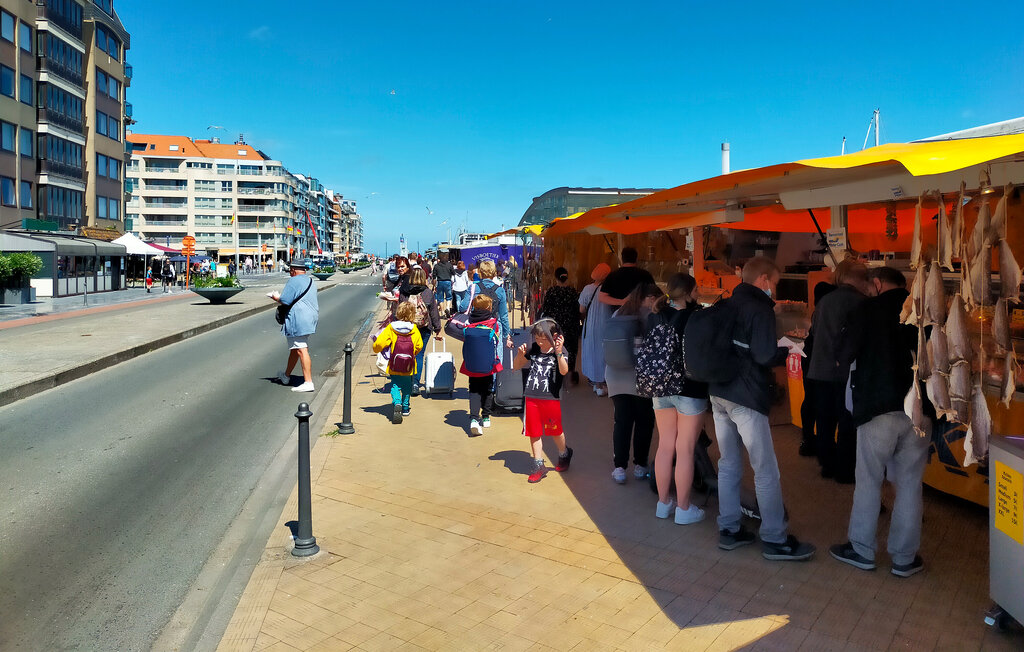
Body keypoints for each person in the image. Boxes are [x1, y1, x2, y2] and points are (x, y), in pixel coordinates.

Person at [710, 256, 815, 561]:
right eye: (775, 283)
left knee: (728, 464)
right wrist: (788, 351)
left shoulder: (726, 303)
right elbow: (764, 354)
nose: (775, 289)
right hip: (746, 396)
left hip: (718, 392)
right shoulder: (760, 309)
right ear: (764, 280)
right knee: (765, 469)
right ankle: (775, 539)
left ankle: (729, 529)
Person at [830, 266, 930, 577]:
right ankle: (904, 559)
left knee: (869, 479)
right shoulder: (925, 311)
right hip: (920, 409)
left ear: (876, 284)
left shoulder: (866, 310)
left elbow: (843, 354)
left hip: (877, 407)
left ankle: (861, 550)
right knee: (910, 484)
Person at [648, 273, 709, 524]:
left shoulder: (656, 315)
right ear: (688, 292)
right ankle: (684, 509)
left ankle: (663, 504)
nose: (699, 293)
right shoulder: (696, 317)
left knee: (665, 446)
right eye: (696, 290)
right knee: (685, 449)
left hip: (660, 386)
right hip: (689, 388)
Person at [807, 261, 870, 483]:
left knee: (825, 420)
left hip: (819, 368)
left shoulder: (825, 300)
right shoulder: (860, 303)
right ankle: (845, 469)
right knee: (846, 421)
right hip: (844, 371)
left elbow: (814, 330)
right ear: (859, 279)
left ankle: (827, 464)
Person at [606, 283, 662, 484]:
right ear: (650, 298)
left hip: (614, 375)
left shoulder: (618, 313)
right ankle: (640, 466)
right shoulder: (651, 317)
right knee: (644, 422)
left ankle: (619, 468)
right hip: (640, 378)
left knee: (622, 422)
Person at [513, 319, 573, 483]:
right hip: (531, 396)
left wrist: (559, 352)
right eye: (537, 338)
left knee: (555, 430)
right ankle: (538, 464)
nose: (540, 342)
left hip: (550, 398)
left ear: (554, 336)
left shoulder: (560, 351)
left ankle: (564, 453)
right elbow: (516, 366)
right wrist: (520, 355)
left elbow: (564, 371)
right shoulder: (534, 348)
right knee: (534, 432)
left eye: (543, 339)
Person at [798, 281, 836, 457]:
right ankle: (822, 444)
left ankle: (807, 440)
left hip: (808, 358)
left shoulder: (817, 312)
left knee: (810, 400)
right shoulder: (827, 312)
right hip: (820, 362)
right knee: (822, 403)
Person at [373, 301, 424, 424]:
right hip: (409, 365)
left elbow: (379, 343)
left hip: (395, 364)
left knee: (395, 385)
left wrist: (376, 348)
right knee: (407, 387)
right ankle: (405, 408)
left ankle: (397, 402)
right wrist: (413, 352)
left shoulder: (391, 328)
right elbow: (419, 345)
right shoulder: (414, 329)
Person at [273, 259, 319, 393]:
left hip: (298, 318)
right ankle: (286, 376)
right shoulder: (311, 281)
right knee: (296, 348)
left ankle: (308, 382)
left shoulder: (293, 281)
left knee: (301, 349)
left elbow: (285, 300)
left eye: (290, 270)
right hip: (311, 317)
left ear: (293, 270)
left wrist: (275, 297)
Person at [460, 294, 503, 435]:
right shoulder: (493, 323)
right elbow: (496, 341)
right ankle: (486, 416)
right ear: (488, 307)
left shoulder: (468, 322)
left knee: (474, 389)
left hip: (472, 363)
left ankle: (474, 418)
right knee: (488, 388)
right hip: (489, 363)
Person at [398, 267, 443, 394]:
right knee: (419, 354)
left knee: (406, 354)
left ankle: (406, 380)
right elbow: (434, 312)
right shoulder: (428, 292)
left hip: (407, 328)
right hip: (424, 328)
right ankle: (415, 384)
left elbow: (399, 311)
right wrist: (438, 329)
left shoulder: (404, 292)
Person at [539, 267, 582, 384]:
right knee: (571, 350)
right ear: (567, 277)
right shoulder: (573, 292)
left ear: (556, 278)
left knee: (556, 348)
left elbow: (546, 311)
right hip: (571, 326)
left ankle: (557, 372)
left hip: (555, 327)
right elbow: (578, 310)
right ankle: (570, 372)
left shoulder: (551, 292)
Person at [579, 263, 612, 395]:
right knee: (604, 353)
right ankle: (602, 384)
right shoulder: (610, 290)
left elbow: (581, 309)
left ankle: (597, 384)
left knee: (592, 352)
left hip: (591, 325)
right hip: (606, 324)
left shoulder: (587, 289)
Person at [475, 259, 512, 348]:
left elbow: (463, 307)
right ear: (494, 273)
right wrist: (507, 334)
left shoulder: (473, 288)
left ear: (480, 272)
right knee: (496, 353)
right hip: (494, 326)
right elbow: (503, 315)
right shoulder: (500, 290)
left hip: (476, 325)